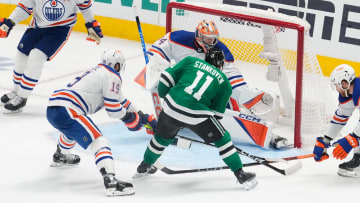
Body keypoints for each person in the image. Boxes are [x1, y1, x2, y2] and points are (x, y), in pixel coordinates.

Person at [140, 19, 286, 149]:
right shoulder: (179, 38)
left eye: (213, 39)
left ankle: (262, 131)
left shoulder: (222, 52)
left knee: (228, 105)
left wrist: (247, 96)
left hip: (207, 90)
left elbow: (233, 81)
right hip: (182, 85)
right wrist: (156, 65)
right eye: (206, 39)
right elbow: (157, 50)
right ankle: (168, 122)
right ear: (198, 35)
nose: (210, 43)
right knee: (158, 84)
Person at [134, 48, 258, 190]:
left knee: (160, 139)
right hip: (197, 115)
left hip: (170, 107)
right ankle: (240, 174)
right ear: (221, 65)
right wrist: (202, 129)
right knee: (223, 139)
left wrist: (165, 95)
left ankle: (144, 166)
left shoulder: (190, 61)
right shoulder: (224, 82)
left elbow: (165, 77)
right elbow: (217, 115)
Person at [46, 49, 157, 196]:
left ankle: (61, 155)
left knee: (72, 131)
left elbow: (123, 101)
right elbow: (113, 109)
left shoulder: (100, 72)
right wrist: (130, 119)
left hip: (54, 108)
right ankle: (111, 182)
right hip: (68, 108)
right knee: (99, 141)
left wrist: (143, 117)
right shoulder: (111, 76)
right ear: (117, 65)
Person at [0, 0, 104, 112]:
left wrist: (90, 23)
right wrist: (10, 22)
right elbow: (25, 7)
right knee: (21, 57)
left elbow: (84, 4)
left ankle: (22, 97)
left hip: (59, 30)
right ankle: (16, 92)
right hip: (37, 27)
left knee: (36, 58)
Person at [313, 64, 360, 177]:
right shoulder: (350, 93)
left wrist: (353, 139)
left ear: (344, 83)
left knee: (355, 137)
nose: (336, 88)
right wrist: (326, 140)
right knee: (355, 137)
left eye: (336, 85)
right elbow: (340, 118)